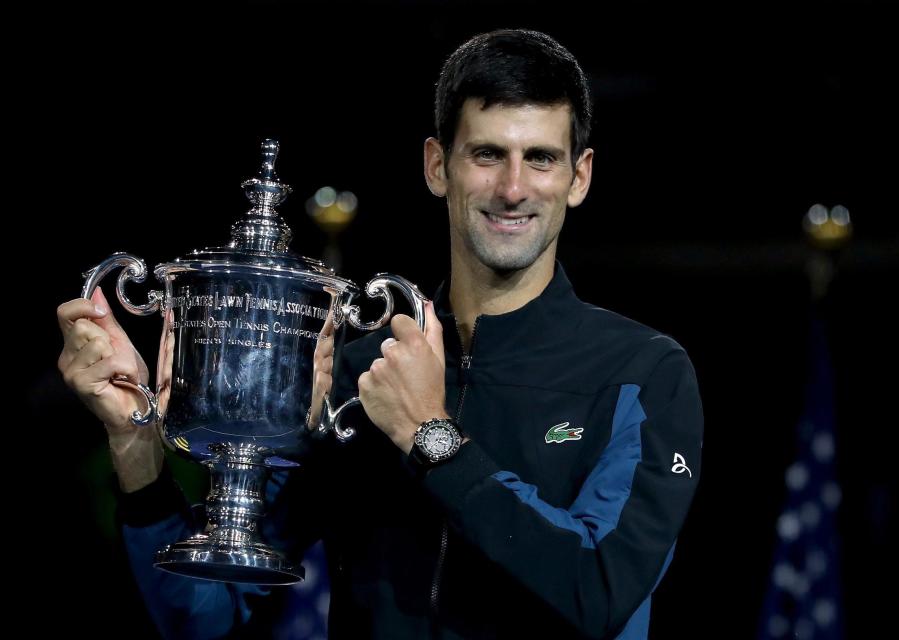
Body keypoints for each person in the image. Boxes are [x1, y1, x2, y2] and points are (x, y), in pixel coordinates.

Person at [57, 29, 703, 639]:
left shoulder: (643, 372)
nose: (512, 188)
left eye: (540, 158)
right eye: (486, 154)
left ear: (579, 176)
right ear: (436, 166)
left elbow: (601, 590)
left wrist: (431, 437)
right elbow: (206, 616)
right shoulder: (357, 374)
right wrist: (136, 446)